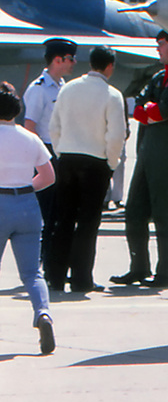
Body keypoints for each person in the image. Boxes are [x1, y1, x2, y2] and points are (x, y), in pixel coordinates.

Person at [114, 32, 168, 289]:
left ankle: (166, 274)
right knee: (134, 212)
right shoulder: (157, 78)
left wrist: (152, 111)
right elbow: (140, 109)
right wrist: (151, 111)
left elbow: (163, 111)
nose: (158, 50)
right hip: (148, 152)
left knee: (166, 216)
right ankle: (139, 268)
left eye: (161, 45)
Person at [45, 47, 125, 295]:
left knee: (64, 220)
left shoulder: (68, 89)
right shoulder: (112, 95)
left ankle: (55, 276)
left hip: (67, 159)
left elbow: (54, 126)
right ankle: (81, 278)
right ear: (109, 66)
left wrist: (61, 152)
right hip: (95, 163)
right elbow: (116, 136)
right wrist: (111, 163)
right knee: (88, 224)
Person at [0, 83, 57, 354]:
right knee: (32, 273)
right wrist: (23, 187)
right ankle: (43, 313)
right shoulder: (29, 137)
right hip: (26, 205)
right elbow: (48, 176)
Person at [22, 38, 76, 276]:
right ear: (58, 59)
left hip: (60, 153)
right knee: (44, 213)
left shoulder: (62, 86)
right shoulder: (39, 88)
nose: (73, 63)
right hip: (44, 154)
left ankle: (51, 263)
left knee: (57, 212)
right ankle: (39, 264)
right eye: (70, 58)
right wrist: (34, 162)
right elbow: (30, 127)